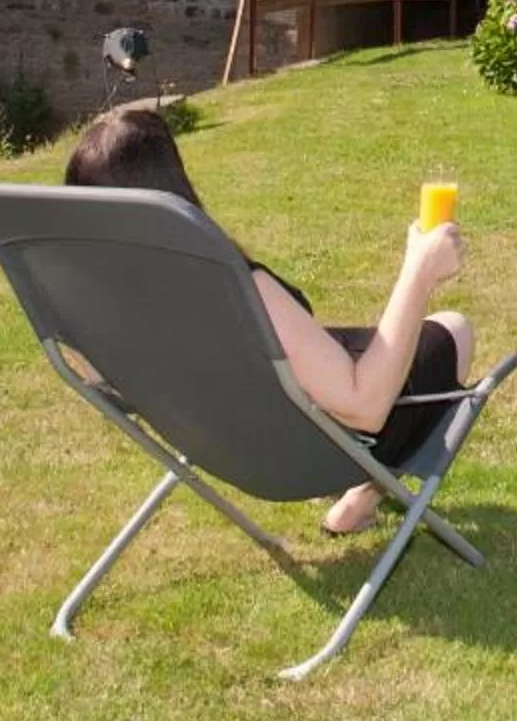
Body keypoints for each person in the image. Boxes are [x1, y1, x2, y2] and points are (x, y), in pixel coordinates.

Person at [61, 106, 472, 536]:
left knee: (357, 344)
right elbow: (365, 407)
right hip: (311, 456)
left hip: (223, 446)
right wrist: (418, 272)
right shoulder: (237, 290)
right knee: (453, 330)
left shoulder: (99, 307)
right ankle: (361, 497)